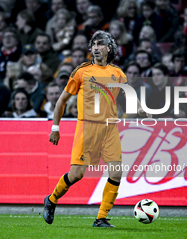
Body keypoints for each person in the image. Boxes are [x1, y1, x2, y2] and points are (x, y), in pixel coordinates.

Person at [43, 30, 150, 227]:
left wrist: (141, 109)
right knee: (76, 175)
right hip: (88, 128)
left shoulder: (118, 73)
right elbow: (62, 100)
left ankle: (101, 218)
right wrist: (55, 127)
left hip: (110, 128)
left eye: (100, 44)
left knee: (116, 172)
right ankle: (52, 199)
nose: (96, 48)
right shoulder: (82, 71)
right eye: (93, 45)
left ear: (109, 49)